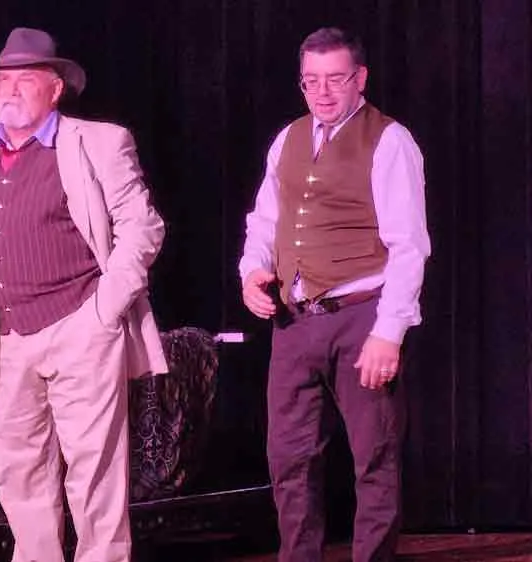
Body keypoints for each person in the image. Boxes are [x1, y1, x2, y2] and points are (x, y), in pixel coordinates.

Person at [0, 27, 167, 562]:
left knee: (94, 473)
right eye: (3, 80)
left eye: (25, 80)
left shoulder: (99, 142)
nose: (10, 90)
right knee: (20, 475)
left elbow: (143, 228)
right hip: (8, 336)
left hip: (82, 325)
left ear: (55, 89)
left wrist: (104, 309)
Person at [239, 27, 430, 561]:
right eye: (311, 81)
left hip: (360, 317)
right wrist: (253, 272)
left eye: (335, 79)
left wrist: (389, 333)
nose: (322, 92)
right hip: (295, 322)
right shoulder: (289, 138)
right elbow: (265, 220)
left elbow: (409, 244)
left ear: (360, 78)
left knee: (375, 457)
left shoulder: (389, 140)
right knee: (290, 459)